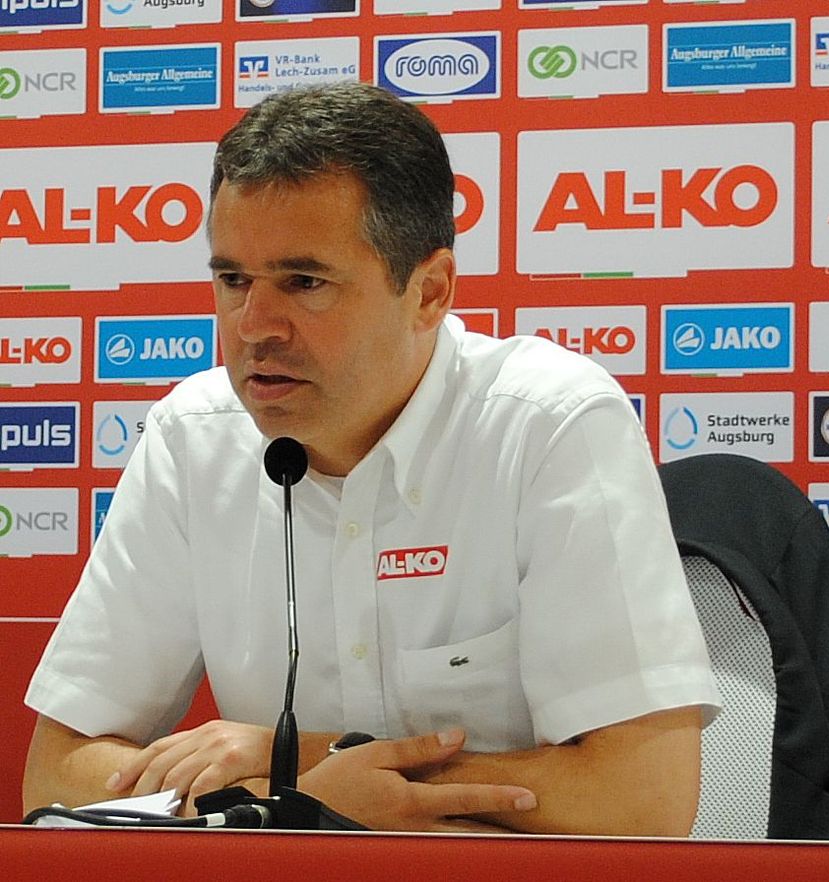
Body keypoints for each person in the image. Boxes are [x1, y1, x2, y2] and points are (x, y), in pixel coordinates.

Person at [22, 82, 719, 835]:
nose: (254, 325)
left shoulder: (549, 425)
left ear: (429, 291)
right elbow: (57, 775)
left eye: (304, 282)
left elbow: (641, 802)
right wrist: (284, 798)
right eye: (233, 280)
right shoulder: (193, 436)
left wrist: (309, 767)